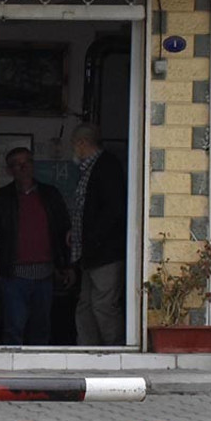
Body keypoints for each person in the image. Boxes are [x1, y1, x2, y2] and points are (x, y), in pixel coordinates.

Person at [0, 147, 71, 345]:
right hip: (13, 276)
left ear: (33, 165)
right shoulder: (1, 198)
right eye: (17, 164)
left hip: (45, 275)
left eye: (27, 163)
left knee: (41, 330)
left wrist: (67, 267)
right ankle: (10, 372)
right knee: (14, 329)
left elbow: (64, 232)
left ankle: (39, 372)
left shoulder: (50, 195)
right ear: (9, 170)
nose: (23, 168)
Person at [68, 123, 127, 346]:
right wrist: (75, 232)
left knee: (103, 304)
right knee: (86, 304)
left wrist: (91, 238)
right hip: (91, 253)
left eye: (74, 144)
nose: (73, 149)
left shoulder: (106, 167)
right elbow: (87, 209)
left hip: (105, 253)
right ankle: (87, 348)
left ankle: (114, 350)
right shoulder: (90, 168)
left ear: (82, 143)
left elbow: (113, 211)